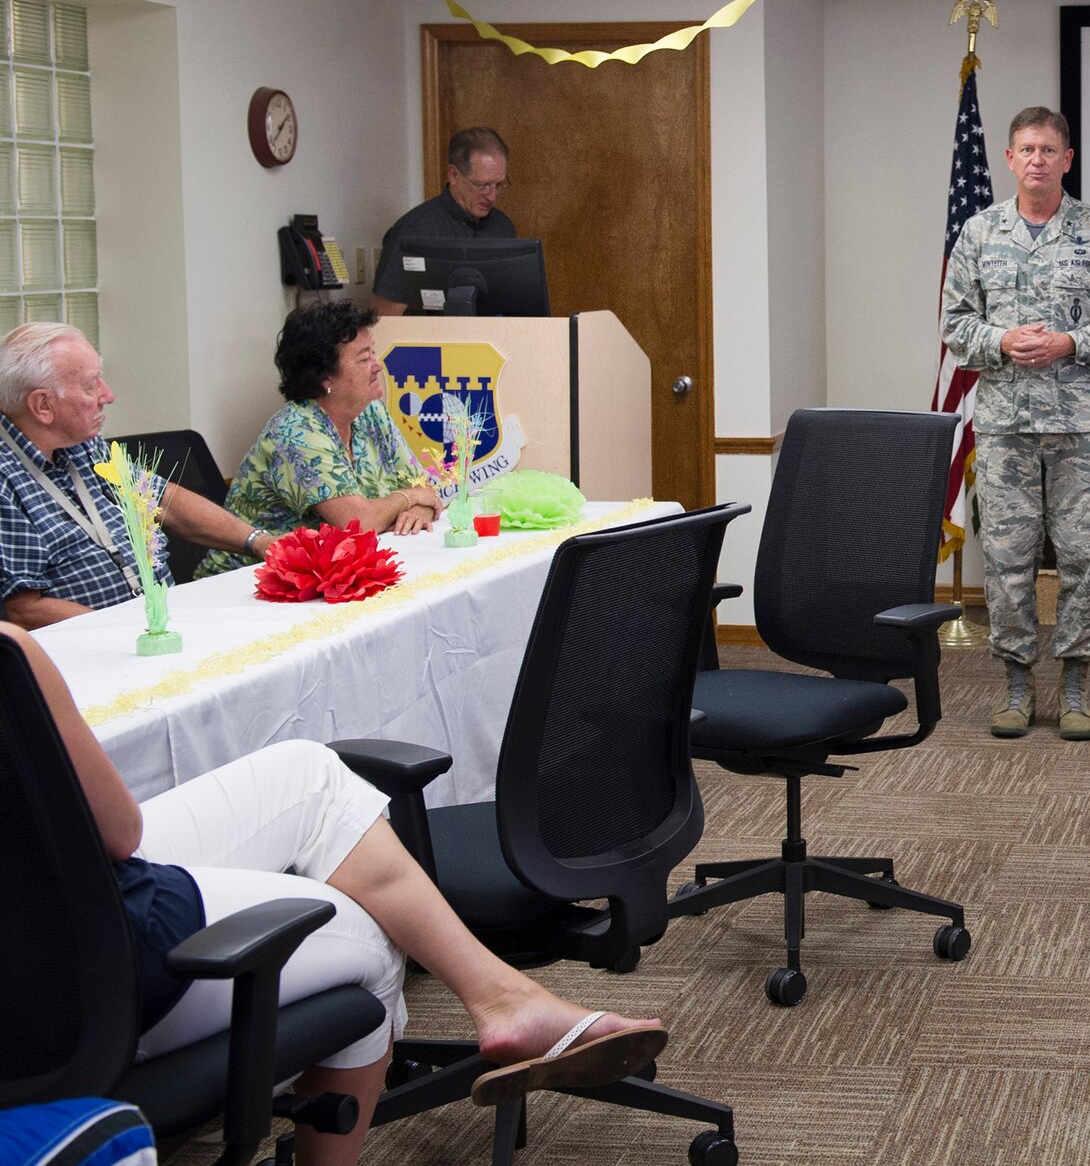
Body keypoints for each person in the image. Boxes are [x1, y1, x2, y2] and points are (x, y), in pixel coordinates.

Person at [19, 620, 666, 1165]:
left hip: (34, 933)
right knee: (376, 941)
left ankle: (503, 997)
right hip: (84, 972)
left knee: (310, 776)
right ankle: (501, 1002)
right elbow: (121, 832)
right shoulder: (11, 654)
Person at [941, 106, 1090, 742]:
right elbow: (954, 325)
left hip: (1083, 433)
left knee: (1084, 558)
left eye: (1048, 150)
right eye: (1026, 149)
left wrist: (1072, 342)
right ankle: (1014, 683)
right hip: (1006, 429)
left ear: (1067, 159)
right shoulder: (979, 235)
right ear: (1009, 159)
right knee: (1006, 559)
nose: (1037, 159)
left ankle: (1074, 686)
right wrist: (1003, 340)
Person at [0, 323, 275, 626]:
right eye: (91, 386)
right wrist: (131, 631)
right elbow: (23, 609)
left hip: (156, 622)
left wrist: (260, 542)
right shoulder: (6, 480)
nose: (108, 395)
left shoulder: (83, 445)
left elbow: (161, 500)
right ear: (42, 405)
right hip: (93, 648)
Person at [196, 303, 438, 577]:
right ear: (325, 376)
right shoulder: (295, 432)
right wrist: (410, 498)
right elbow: (359, 524)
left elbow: (423, 487)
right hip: (251, 583)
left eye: (373, 353)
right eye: (363, 359)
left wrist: (420, 507)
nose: (377, 366)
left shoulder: (370, 411)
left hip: (330, 576)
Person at [372, 127, 515, 317]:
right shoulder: (413, 231)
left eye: (498, 185)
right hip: (429, 342)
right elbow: (385, 317)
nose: (492, 196)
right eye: (483, 185)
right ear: (454, 175)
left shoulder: (503, 227)